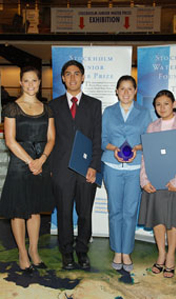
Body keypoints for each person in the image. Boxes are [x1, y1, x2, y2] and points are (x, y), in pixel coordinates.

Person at [0, 66, 55, 273]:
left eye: (35, 81)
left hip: (41, 162)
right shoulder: (12, 108)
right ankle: (22, 253)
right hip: (20, 164)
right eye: (27, 81)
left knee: (35, 209)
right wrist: (31, 161)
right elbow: (10, 140)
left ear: (40, 83)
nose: (31, 84)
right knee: (18, 210)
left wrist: (41, 159)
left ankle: (34, 251)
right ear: (21, 83)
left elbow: (51, 138)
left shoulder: (47, 109)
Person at [139, 90, 176, 278]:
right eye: (158, 104)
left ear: (174, 103)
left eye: (166, 103)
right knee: (158, 219)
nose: (162, 107)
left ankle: (171, 256)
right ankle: (161, 255)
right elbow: (146, 156)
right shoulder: (152, 126)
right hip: (155, 183)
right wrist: (144, 180)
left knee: (173, 220)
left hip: (175, 183)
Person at [49, 60, 102, 270]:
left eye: (76, 73)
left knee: (84, 213)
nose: (72, 77)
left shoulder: (94, 104)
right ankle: (67, 253)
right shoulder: (53, 106)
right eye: (68, 74)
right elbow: (49, 140)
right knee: (63, 213)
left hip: (86, 170)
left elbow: (97, 138)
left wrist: (94, 166)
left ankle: (82, 250)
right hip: (62, 170)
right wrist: (51, 168)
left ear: (83, 77)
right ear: (62, 78)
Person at [101, 75, 151, 272]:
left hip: (135, 168)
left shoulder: (144, 112)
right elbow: (103, 139)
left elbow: (148, 139)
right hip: (112, 167)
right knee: (115, 210)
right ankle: (117, 251)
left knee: (130, 212)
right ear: (116, 91)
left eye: (130, 88)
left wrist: (136, 148)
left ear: (135, 91)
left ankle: (127, 251)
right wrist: (114, 149)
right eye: (122, 88)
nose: (126, 92)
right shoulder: (108, 112)